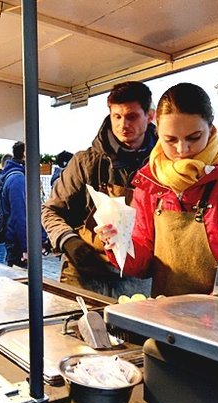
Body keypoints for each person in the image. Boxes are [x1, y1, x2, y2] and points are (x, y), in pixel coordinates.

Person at [95, 83, 218, 296]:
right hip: (166, 316)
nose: (182, 150)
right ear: (157, 130)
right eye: (170, 140)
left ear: (211, 128)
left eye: (194, 138)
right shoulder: (149, 181)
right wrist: (118, 244)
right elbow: (142, 265)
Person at [42, 80, 159, 297]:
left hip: (136, 279)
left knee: (132, 331)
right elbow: (50, 210)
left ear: (150, 116)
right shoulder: (85, 162)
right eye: (117, 116)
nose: (123, 124)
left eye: (132, 116)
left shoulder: (162, 165)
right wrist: (69, 242)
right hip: (84, 272)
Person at [0, 141, 47, 268]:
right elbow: (20, 216)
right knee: (22, 284)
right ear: (25, 155)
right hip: (19, 246)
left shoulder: (18, 177)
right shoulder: (18, 179)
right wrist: (26, 247)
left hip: (19, 242)